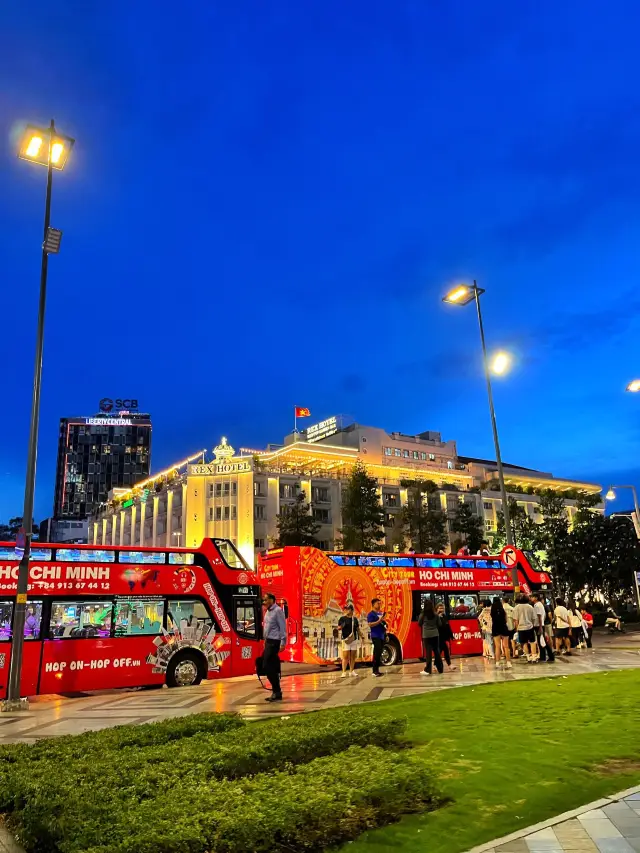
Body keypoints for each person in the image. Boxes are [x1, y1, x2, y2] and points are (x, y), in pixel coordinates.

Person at [262, 593, 286, 702]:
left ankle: (277, 691)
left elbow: (282, 627)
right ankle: (276, 692)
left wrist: (283, 642)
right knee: (268, 666)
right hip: (268, 641)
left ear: (272, 600)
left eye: (266, 600)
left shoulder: (278, 611)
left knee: (267, 665)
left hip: (275, 641)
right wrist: (265, 640)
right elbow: (267, 627)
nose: (264, 602)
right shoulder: (267, 611)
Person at [418, 600, 443, 675]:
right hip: (435, 635)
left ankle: (428, 670)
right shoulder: (435, 615)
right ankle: (440, 668)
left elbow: (419, 623)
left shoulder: (423, 614)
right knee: (437, 652)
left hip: (426, 635)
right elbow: (440, 624)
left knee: (428, 653)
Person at [531, 592, 554, 663]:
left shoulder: (537, 605)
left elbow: (539, 616)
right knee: (542, 641)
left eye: (532, 597)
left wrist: (540, 627)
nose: (531, 598)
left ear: (536, 598)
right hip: (541, 625)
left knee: (542, 642)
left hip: (539, 626)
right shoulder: (540, 604)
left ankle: (547, 657)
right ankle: (544, 656)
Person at [513, 594, 538, 662]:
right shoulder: (530, 607)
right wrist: (532, 624)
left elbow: (516, 620)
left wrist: (517, 628)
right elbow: (534, 618)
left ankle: (528, 657)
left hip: (521, 628)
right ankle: (534, 656)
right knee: (532, 642)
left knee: (524, 643)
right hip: (530, 627)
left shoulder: (516, 607)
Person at [337, 604, 359, 678]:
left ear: (352, 610)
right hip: (346, 639)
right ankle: (343, 672)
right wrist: (341, 626)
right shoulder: (342, 618)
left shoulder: (355, 619)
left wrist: (361, 635)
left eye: (348, 609)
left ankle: (352, 671)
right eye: (345, 609)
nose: (346, 610)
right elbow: (339, 628)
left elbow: (357, 629)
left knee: (353, 656)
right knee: (345, 656)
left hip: (354, 639)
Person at [490, 597, 512, 668]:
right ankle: (508, 662)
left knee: (497, 646)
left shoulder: (492, 611)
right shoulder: (503, 611)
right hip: (503, 627)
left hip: (495, 628)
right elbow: (505, 620)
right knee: (506, 646)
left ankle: (497, 662)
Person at [367, 599, 386, 677]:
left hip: (381, 635)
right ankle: (374, 671)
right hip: (375, 635)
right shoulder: (371, 614)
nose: (379, 605)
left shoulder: (380, 613)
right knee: (376, 653)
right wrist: (379, 621)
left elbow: (382, 623)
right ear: (373, 604)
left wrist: (384, 624)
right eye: (378, 603)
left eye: (380, 603)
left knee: (379, 653)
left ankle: (377, 670)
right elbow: (370, 624)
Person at [436, 603, 456, 670]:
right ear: (437, 609)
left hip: (443, 637)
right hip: (438, 637)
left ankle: (434, 665)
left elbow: (448, 626)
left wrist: (451, 635)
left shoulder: (444, 616)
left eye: (442, 608)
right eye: (440, 608)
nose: (441, 610)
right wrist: (438, 617)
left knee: (440, 651)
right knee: (446, 650)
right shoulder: (436, 617)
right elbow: (438, 626)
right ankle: (449, 664)